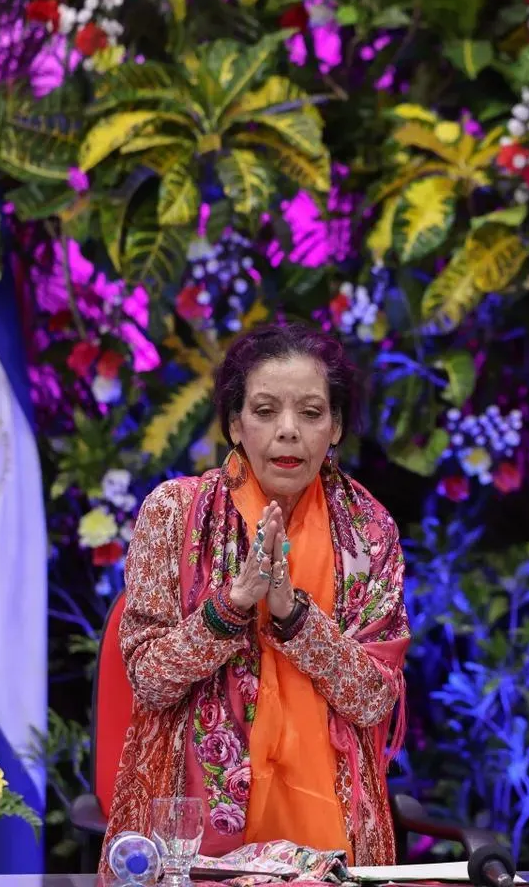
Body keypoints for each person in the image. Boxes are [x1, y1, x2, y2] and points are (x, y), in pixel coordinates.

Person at [100, 322, 410, 871]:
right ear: (235, 424)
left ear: (335, 427)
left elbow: (373, 700)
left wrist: (293, 617)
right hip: (189, 841)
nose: (288, 431)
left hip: (336, 837)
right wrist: (233, 604)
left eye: (311, 413)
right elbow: (149, 677)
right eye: (265, 411)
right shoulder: (173, 512)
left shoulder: (369, 530)